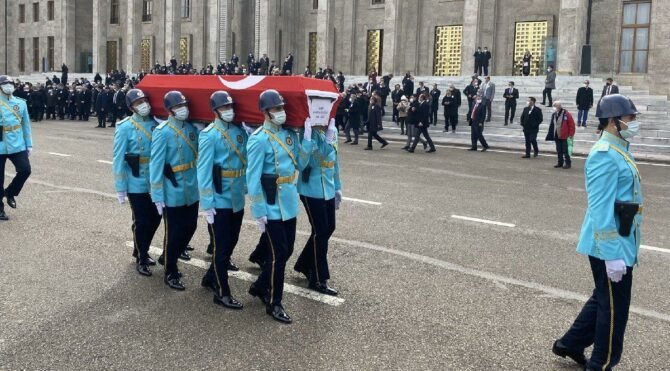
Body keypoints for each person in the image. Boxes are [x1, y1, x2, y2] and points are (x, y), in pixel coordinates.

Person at [552, 94, 643, 371]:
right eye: (630, 118)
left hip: (621, 238)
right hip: (610, 243)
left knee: (604, 298)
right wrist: (613, 255)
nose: (633, 122)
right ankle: (601, 363)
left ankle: (571, 343)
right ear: (614, 121)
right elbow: (600, 209)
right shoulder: (604, 154)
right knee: (615, 309)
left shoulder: (618, 149)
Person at [246, 89, 312, 324]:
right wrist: (259, 210)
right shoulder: (258, 139)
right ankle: (274, 302)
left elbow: (301, 165)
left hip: (288, 203)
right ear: (265, 112)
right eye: (276, 109)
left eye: (282, 108)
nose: (281, 112)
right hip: (271, 205)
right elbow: (252, 178)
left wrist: (307, 140)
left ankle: (260, 286)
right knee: (277, 256)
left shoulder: (289, 136)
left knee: (287, 250)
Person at [197, 91, 247, 309]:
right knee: (221, 246)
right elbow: (204, 171)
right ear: (215, 111)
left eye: (231, 107)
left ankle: (210, 277)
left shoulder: (238, 132)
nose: (229, 111)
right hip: (219, 199)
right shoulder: (209, 135)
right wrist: (207, 203)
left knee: (232, 241)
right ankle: (221, 290)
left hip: (236, 198)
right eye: (225, 108)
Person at [150, 90, 200, 290]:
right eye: (179, 106)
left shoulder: (190, 129)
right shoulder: (162, 132)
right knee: (174, 233)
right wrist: (157, 195)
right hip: (173, 189)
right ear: (170, 110)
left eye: (185, 105)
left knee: (191, 227)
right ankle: (170, 271)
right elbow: (156, 165)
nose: (183, 109)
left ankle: (168, 256)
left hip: (191, 185)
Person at [112, 88, 160, 276]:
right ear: (131, 107)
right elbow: (118, 158)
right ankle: (142, 256)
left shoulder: (158, 123)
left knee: (156, 218)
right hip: (136, 181)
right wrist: (120, 186)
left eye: (145, 101)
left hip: (156, 180)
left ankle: (140, 247)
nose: (144, 105)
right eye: (139, 103)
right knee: (142, 220)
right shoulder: (125, 127)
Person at [295, 118, 341, 295]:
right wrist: (309, 140)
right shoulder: (305, 132)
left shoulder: (332, 129)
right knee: (320, 231)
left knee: (329, 228)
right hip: (310, 189)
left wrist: (338, 187)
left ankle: (304, 264)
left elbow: (335, 161)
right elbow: (306, 163)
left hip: (328, 187)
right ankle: (318, 277)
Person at [0, 76, 33, 221]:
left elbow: (26, 124)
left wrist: (29, 144)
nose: (9, 86)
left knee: (25, 170)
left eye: (11, 84)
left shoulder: (20, 103)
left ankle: (10, 191)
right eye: (5, 84)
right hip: (0, 143)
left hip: (17, 142)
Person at [549, 101, 576, 169]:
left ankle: (568, 163)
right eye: (553, 106)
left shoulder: (566, 114)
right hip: (557, 135)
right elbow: (552, 125)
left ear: (559, 106)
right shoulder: (554, 114)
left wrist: (571, 134)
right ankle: (560, 162)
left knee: (565, 150)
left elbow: (571, 125)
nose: (554, 107)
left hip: (565, 135)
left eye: (555, 106)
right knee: (559, 150)